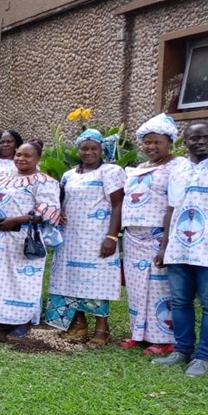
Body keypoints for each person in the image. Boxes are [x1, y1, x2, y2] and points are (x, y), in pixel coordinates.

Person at [153, 122, 208, 377]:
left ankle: (203, 356)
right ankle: (182, 350)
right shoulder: (179, 169)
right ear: (185, 143)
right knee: (180, 302)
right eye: (195, 138)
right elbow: (171, 209)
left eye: (207, 137)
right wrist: (164, 247)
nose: (201, 142)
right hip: (179, 249)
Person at [46, 129, 125, 345]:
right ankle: (79, 324)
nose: (88, 152)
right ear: (78, 150)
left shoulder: (111, 171)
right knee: (70, 279)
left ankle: (102, 329)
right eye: (84, 148)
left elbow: (118, 205)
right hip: (70, 237)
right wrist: (58, 212)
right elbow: (62, 200)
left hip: (97, 235)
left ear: (101, 149)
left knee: (97, 281)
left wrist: (112, 236)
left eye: (93, 148)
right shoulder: (69, 175)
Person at [120, 114, 185, 355]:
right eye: (147, 142)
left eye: (157, 142)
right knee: (136, 287)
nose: (151, 146)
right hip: (132, 237)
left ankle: (164, 338)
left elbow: (176, 203)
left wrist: (166, 243)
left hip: (159, 235)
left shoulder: (178, 166)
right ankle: (139, 333)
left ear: (170, 142)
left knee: (160, 288)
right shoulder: (139, 168)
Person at [0, 142, 62, 337]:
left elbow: (49, 211)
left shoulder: (44, 181)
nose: (21, 159)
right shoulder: (3, 179)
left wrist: (16, 220)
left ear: (38, 158)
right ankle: (2, 318)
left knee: (23, 279)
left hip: (24, 237)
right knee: (0, 278)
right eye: (18, 154)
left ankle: (24, 321)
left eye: (27, 156)